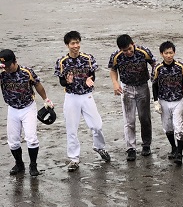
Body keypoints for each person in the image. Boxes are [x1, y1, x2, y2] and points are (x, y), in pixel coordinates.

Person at [54, 31, 110, 172]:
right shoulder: (62, 62)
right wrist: (67, 82)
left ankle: (99, 147)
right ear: (67, 45)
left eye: (77, 42)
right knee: (71, 129)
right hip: (71, 96)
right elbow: (61, 81)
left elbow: (92, 75)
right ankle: (74, 159)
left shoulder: (88, 58)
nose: (76, 46)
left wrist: (90, 80)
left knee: (97, 126)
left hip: (86, 95)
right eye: (73, 43)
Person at [0, 48, 53, 176]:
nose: (6, 68)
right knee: (13, 141)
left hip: (28, 107)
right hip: (12, 109)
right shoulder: (2, 73)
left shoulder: (26, 72)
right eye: (4, 66)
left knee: (31, 138)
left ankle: (33, 166)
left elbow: (38, 85)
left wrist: (46, 99)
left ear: (15, 61)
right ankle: (19, 164)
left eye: (8, 65)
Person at [108, 34, 155, 162]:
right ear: (120, 49)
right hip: (127, 88)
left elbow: (154, 64)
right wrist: (115, 83)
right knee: (129, 120)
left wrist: (154, 76)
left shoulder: (143, 51)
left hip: (142, 87)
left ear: (133, 44)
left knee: (144, 118)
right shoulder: (116, 56)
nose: (128, 52)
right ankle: (131, 148)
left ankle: (146, 145)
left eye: (130, 49)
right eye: (125, 50)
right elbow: (113, 70)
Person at [151, 40, 183, 165]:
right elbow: (154, 85)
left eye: (171, 53)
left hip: (178, 100)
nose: (169, 55)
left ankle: (179, 153)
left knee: (179, 128)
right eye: (166, 53)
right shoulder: (157, 68)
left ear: (174, 53)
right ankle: (173, 148)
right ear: (161, 54)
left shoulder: (181, 66)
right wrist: (155, 101)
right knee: (168, 128)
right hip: (163, 100)